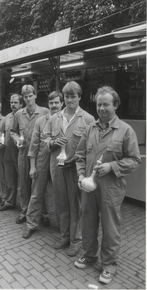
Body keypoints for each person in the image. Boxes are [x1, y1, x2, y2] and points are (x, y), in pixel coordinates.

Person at [74, 86, 141, 284]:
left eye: (106, 104)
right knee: (87, 221)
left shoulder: (125, 130)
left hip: (111, 188)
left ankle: (109, 264)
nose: (102, 108)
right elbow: (79, 156)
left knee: (111, 227)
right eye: (98, 104)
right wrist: (80, 175)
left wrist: (112, 166)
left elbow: (135, 160)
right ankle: (89, 254)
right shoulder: (90, 128)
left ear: (116, 105)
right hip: (89, 186)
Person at [42, 81, 95, 257]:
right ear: (63, 98)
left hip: (75, 169)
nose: (70, 99)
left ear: (79, 97)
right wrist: (52, 142)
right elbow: (45, 138)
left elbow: (92, 147)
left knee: (76, 204)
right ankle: (64, 236)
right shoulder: (54, 118)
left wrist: (78, 161)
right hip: (57, 167)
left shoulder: (87, 119)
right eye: (67, 96)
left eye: (73, 96)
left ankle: (76, 240)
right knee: (60, 203)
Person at [22, 91, 64, 239]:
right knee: (36, 193)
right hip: (42, 159)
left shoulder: (66, 120)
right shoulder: (41, 121)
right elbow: (33, 145)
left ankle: (63, 227)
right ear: (48, 104)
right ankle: (31, 224)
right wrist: (33, 166)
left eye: (57, 103)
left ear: (62, 104)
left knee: (60, 196)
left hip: (59, 161)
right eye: (51, 103)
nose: (54, 105)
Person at [11, 84, 49, 224]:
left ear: (35, 95)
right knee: (24, 183)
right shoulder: (18, 114)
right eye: (25, 97)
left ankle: (43, 214)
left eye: (30, 96)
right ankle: (24, 211)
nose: (28, 99)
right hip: (23, 153)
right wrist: (16, 140)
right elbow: (13, 131)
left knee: (39, 184)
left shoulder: (45, 112)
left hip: (40, 155)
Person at [0, 93, 23, 211]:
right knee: (9, 179)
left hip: (20, 153)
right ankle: (10, 202)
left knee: (23, 182)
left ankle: (24, 207)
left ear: (21, 104)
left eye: (15, 102)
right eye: (11, 102)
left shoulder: (24, 116)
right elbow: (1, 133)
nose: (13, 105)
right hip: (8, 153)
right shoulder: (7, 117)